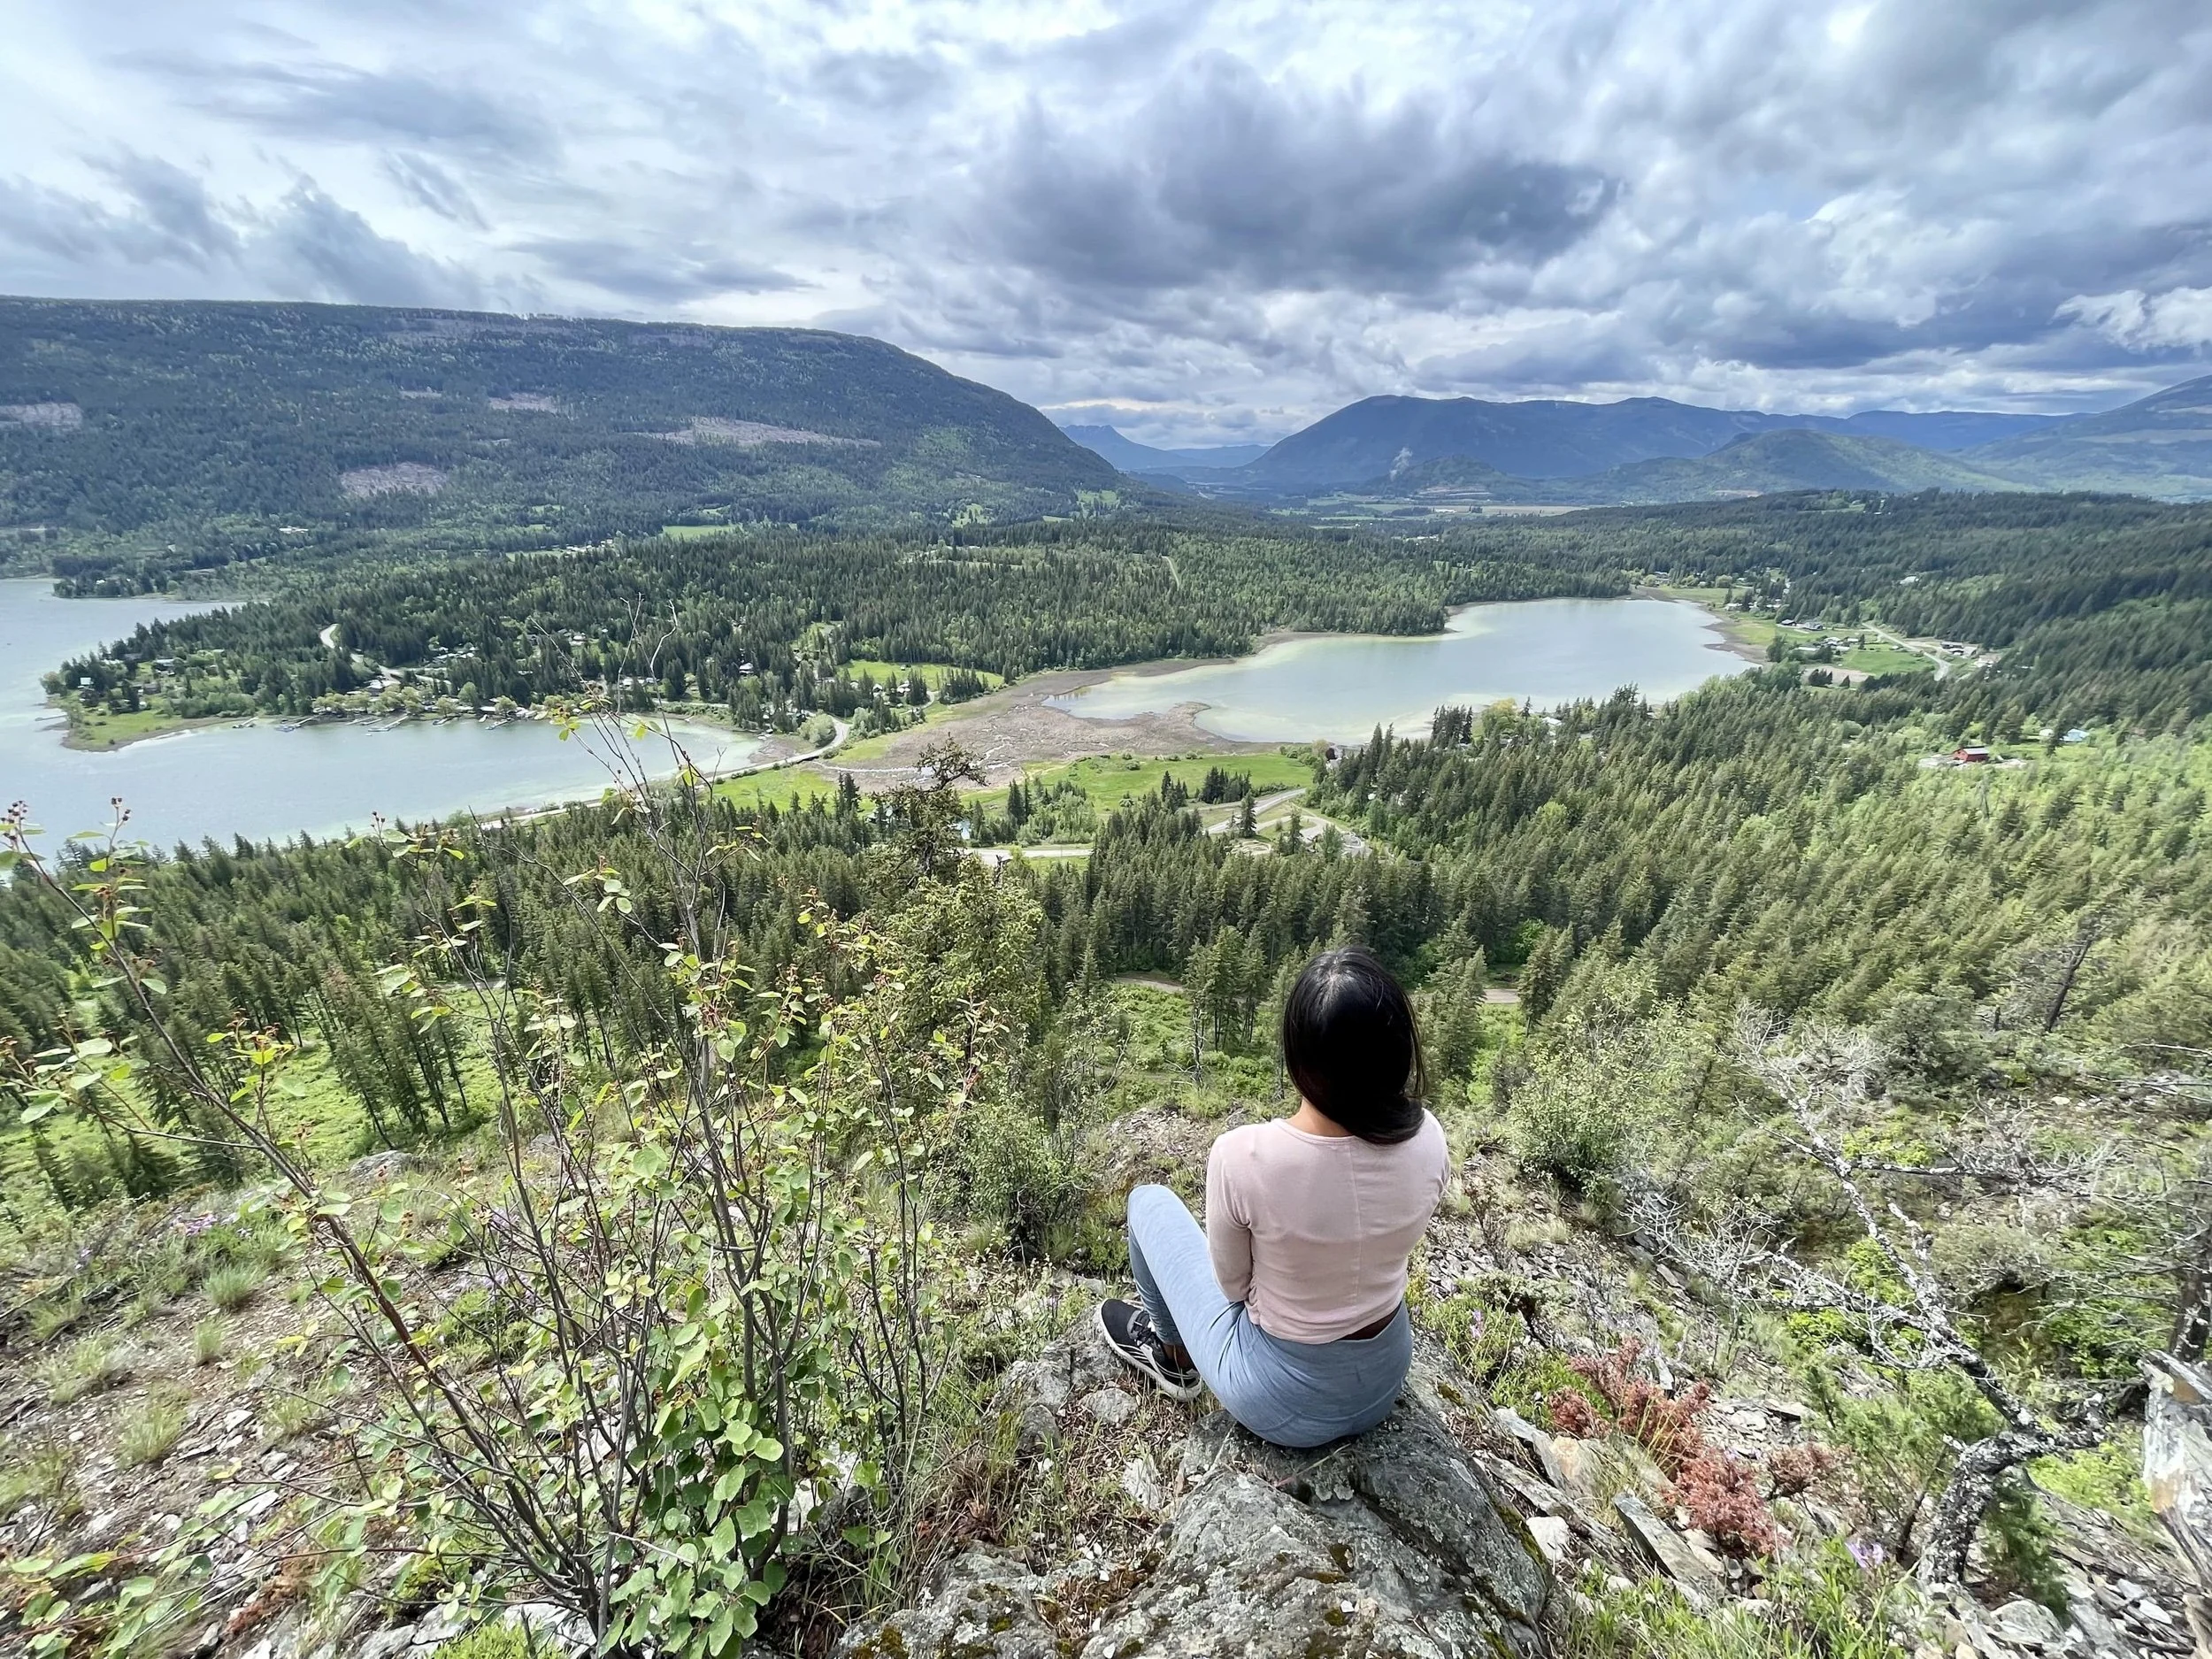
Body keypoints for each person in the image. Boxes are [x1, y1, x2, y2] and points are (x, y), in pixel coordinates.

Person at [1097, 944, 1450, 1448]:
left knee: (1147, 1202)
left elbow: (1232, 1288)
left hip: (1284, 1401)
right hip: (1383, 1376)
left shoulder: (1244, 1156)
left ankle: (1174, 1360)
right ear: (1397, 1054)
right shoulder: (1430, 1139)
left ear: (1297, 1057)